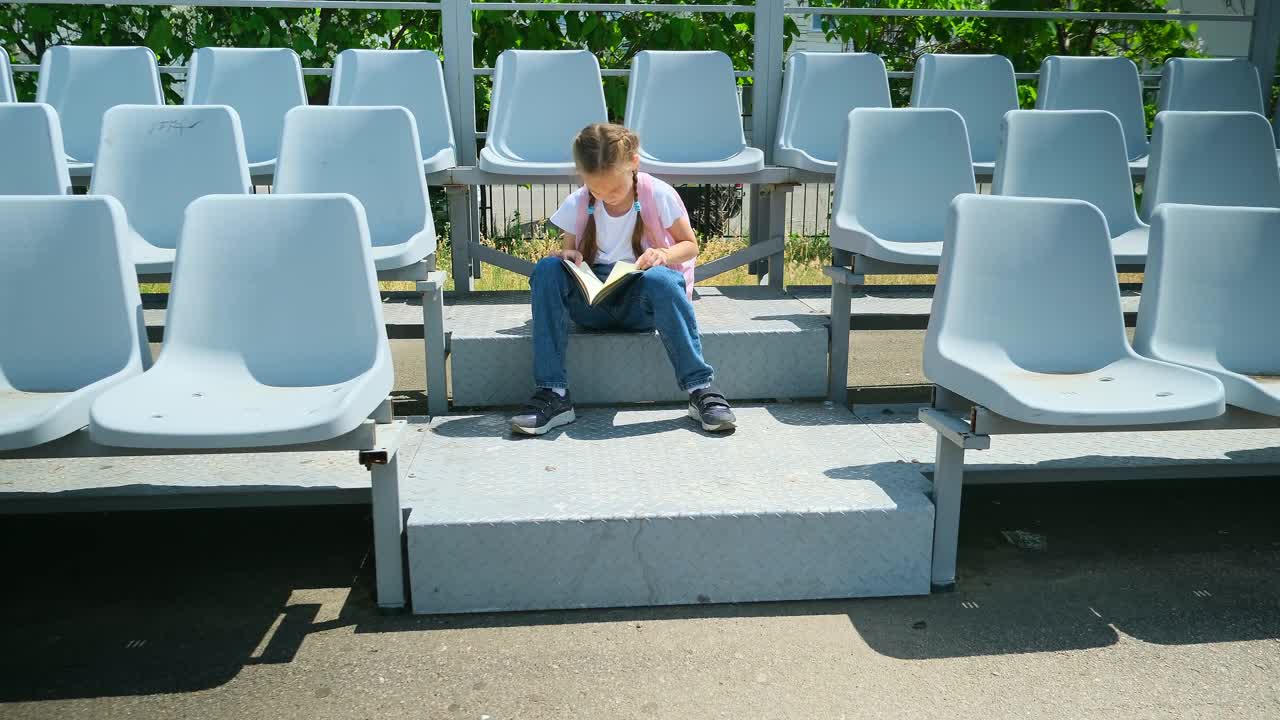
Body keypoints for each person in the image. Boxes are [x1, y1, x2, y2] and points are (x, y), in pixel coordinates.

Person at [509, 123, 736, 436]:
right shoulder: (578, 202)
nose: (606, 197)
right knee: (547, 269)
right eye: (597, 190)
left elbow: (690, 245)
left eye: (613, 189)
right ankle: (554, 394)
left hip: (638, 303)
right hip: (592, 304)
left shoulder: (658, 194)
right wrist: (567, 256)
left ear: (634, 163)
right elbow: (569, 251)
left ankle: (701, 389)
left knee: (663, 280)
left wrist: (663, 255)